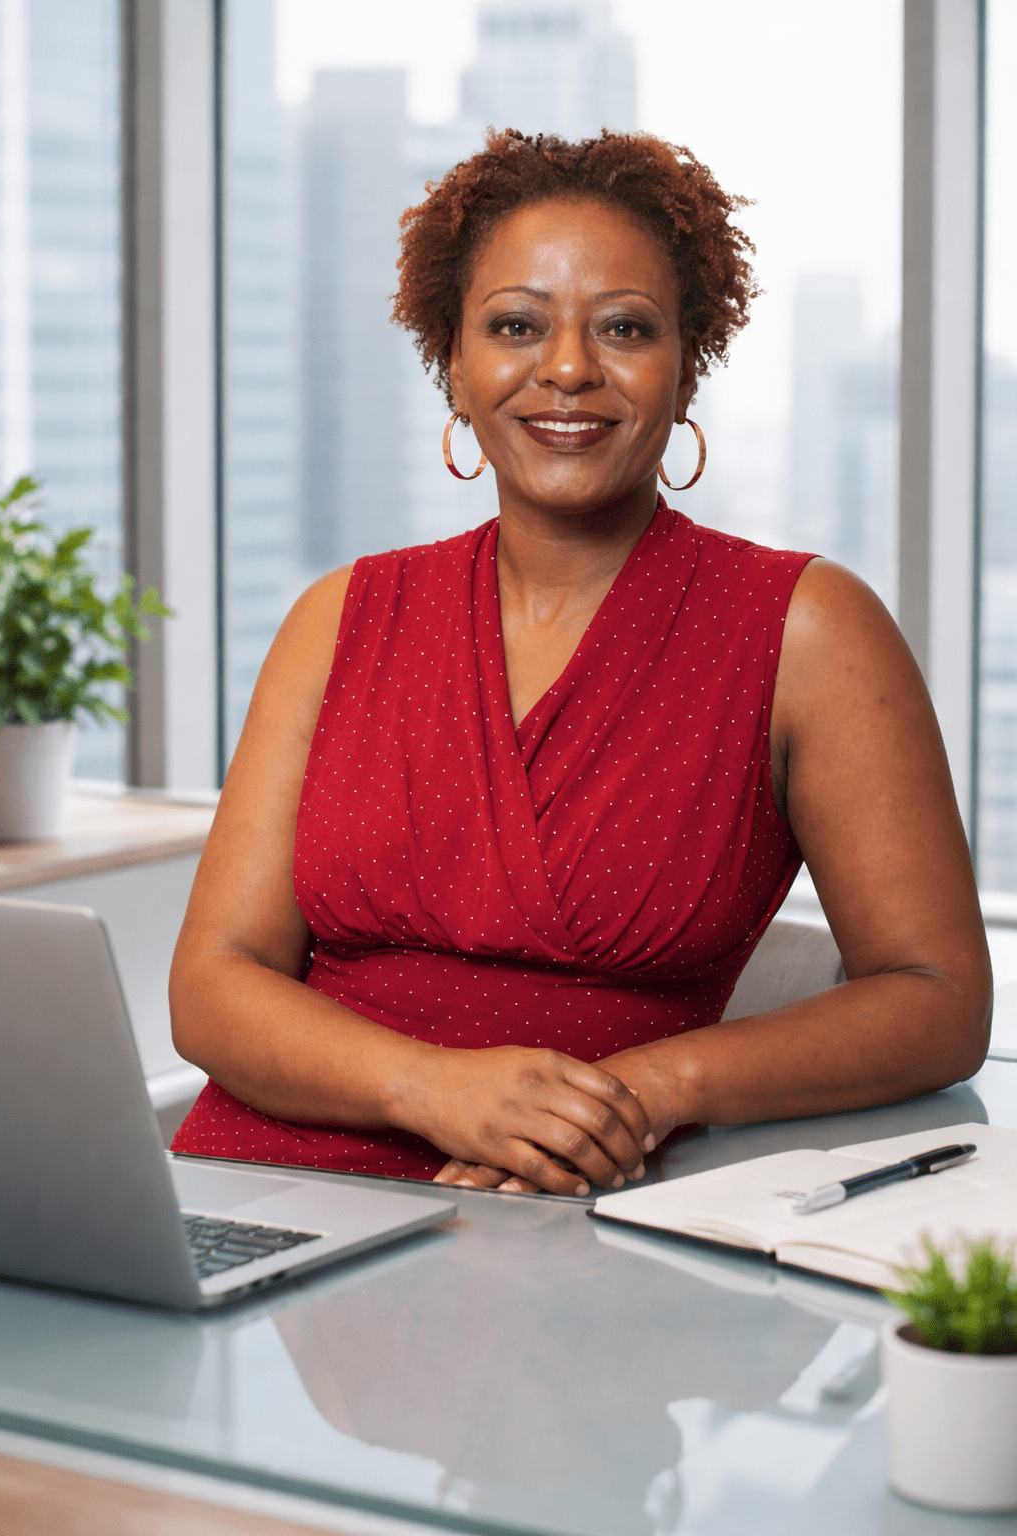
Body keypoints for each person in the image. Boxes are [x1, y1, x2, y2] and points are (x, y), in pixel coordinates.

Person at [170, 129, 991, 1198]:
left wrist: (641, 1092)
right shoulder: (338, 618)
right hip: (256, 1194)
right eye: (516, 325)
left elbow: (935, 997)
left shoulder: (805, 628)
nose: (566, 368)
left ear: (688, 364)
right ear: (452, 364)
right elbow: (211, 983)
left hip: (585, 1210)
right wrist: (433, 1088)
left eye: (624, 329)